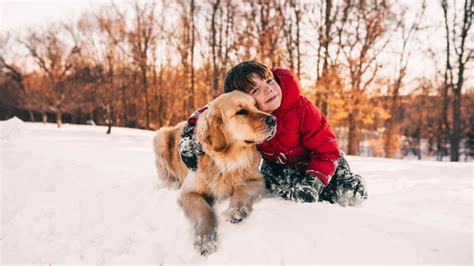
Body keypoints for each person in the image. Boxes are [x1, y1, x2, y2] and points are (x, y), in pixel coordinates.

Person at [180, 61, 367, 206]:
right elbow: (213, 110)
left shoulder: (303, 110)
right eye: (256, 90)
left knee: (336, 190)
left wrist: (314, 183)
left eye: (269, 81)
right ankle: (295, 191)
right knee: (267, 186)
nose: (268, 89)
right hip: (279, 165)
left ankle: (350, 189)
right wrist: (191, 132)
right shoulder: (249, 116)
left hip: (322, 162)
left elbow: (326, 150)